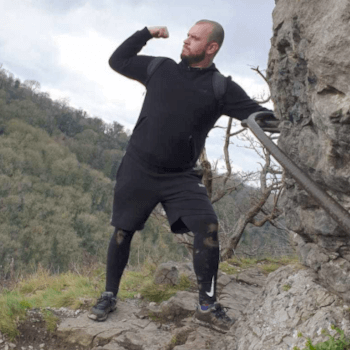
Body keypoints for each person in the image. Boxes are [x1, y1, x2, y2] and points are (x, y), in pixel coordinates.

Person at [88, 20, 274, 333]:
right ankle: (109, 295)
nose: (186, 41)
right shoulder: (160, 67)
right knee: (123, 230)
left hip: (181, 177)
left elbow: (258, 115)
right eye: (187, 35)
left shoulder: (220, 87)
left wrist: (293, 121)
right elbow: (117, 60)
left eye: (194, 38)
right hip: (139, 167)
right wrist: (146, 33)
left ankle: (207, 304)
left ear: (211, 47)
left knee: (208, 225)